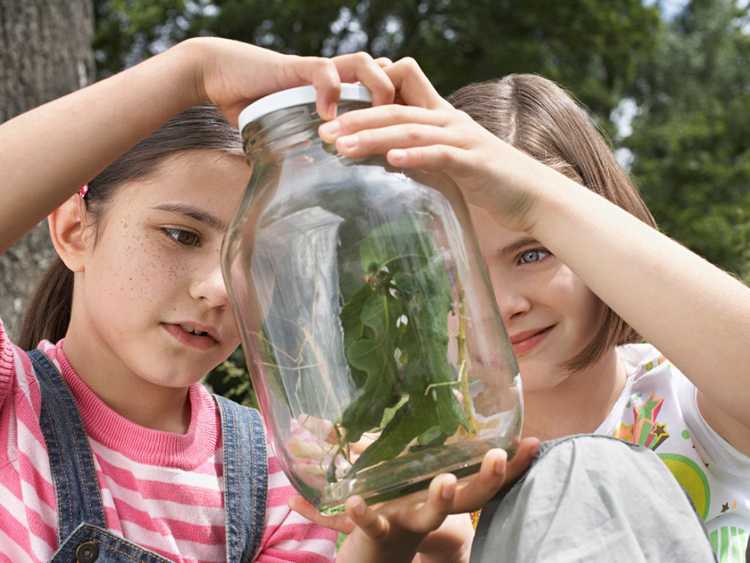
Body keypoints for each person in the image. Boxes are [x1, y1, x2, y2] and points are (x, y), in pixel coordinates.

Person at [0, 38, 540, 562]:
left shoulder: (277, 474)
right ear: (74, 230)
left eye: (250, 258)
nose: (217, 288)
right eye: (181, 234)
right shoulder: (12, 405)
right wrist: (192, 70)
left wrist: (384, 543)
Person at [296, 63, 750, 561]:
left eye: (532, 252)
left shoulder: (690, 402)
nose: (503, 307)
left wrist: (534, 197)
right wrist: (392, 539)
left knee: (584, 467)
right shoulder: (442, 470)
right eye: (456, 271)